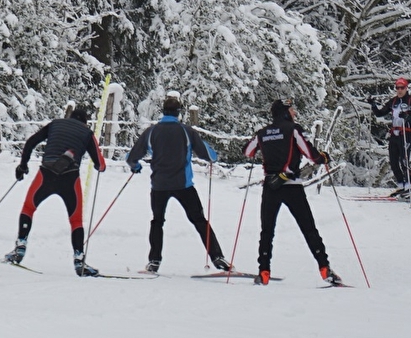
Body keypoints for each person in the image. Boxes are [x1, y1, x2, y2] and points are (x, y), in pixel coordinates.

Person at [125, 96, 230, 274]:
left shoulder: (151, 132)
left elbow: (131, 157)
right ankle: (218, 258)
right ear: (178, 113)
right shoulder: (186, 131)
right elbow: (209, 155)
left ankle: (154, 261)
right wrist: (211, 155)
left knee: (157, 221)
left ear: (163, 111)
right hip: (184, 185)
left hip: (159, 185)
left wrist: (136, 167)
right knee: (199, 220)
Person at [243, 99, 340, 286]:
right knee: (308, 229)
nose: (295, 112)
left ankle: (263, 272)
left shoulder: (263, 132)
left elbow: (248, 151)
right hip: (291, 185)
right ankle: (324, 268)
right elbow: (311, 154)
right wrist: (323, 158)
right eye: (292, 109)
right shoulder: (293, 129)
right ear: (285, 112)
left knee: (267, 231)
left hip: (270, 186)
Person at [7, 106, 107, 276]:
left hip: (46, 173)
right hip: (70, 177)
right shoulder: (87, 133)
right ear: (85, 122)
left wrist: (22, 166)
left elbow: (31, 142)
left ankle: (20, 246)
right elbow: (101, 165)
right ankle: (78, 260)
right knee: (76, 221)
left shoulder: (55, 124)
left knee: (28, 208)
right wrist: (98, 165)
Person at [370, 77, 411, 198]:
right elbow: (380, 113)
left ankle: (409, 189)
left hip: (406, 133)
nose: (399, 90)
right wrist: (373, 105)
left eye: (402, 88)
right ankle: (401, 185)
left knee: (404, 162)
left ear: (406, 88)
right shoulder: (393, 101)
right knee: (393, 162)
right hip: (394, 134)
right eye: (397, 87)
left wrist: (407, 117)